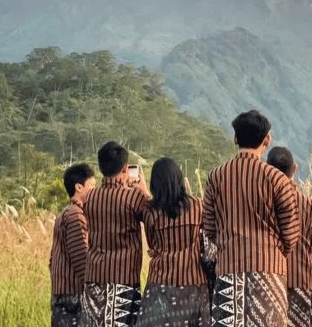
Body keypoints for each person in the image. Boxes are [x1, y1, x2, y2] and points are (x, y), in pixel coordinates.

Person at [202, 110, 300, 327]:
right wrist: (273, 254)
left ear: (235, 138)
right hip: (269, 274)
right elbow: (291, 234)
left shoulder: (216, 177)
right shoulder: (278, 180)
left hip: (228, 272)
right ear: (267, 140)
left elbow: (208, 228)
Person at [136, 157, 211, 327]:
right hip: (194, 282)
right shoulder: (198, 206)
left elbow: (153, 244)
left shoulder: (150, 213)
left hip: (161, 283)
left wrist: (144, 193)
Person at [82, 141, 150, 327]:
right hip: (123, 279)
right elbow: (155, 222)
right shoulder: (134, 197)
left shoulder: (89, 197)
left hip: (93, 278)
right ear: (126, 168)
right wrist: (144, 191)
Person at [267, 147, 312, 327]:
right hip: (302, 282)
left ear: (267, 169)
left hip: (270, 281)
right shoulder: (310, 205)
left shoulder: (263, 203)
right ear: (294, 168)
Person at [50, 163, 96, 327]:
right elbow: (82, 260)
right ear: (79, 187)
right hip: (73, 296)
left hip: (63, 294)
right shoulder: (76, 215)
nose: (94, 191)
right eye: (91, 186)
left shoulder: (65, 213)